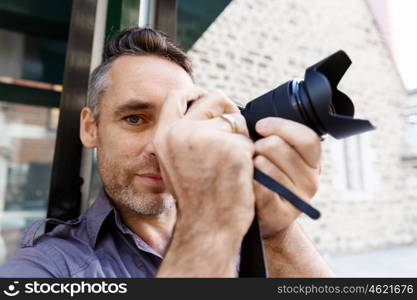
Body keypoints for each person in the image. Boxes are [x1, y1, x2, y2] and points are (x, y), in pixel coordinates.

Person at [0, 27, 333, 277]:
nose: (163, 144)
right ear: (91, 128)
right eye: (134, 118)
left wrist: (275, 232)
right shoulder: (46, 267)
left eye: (181, 119)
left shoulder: (243, 231)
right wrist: (210, 222)